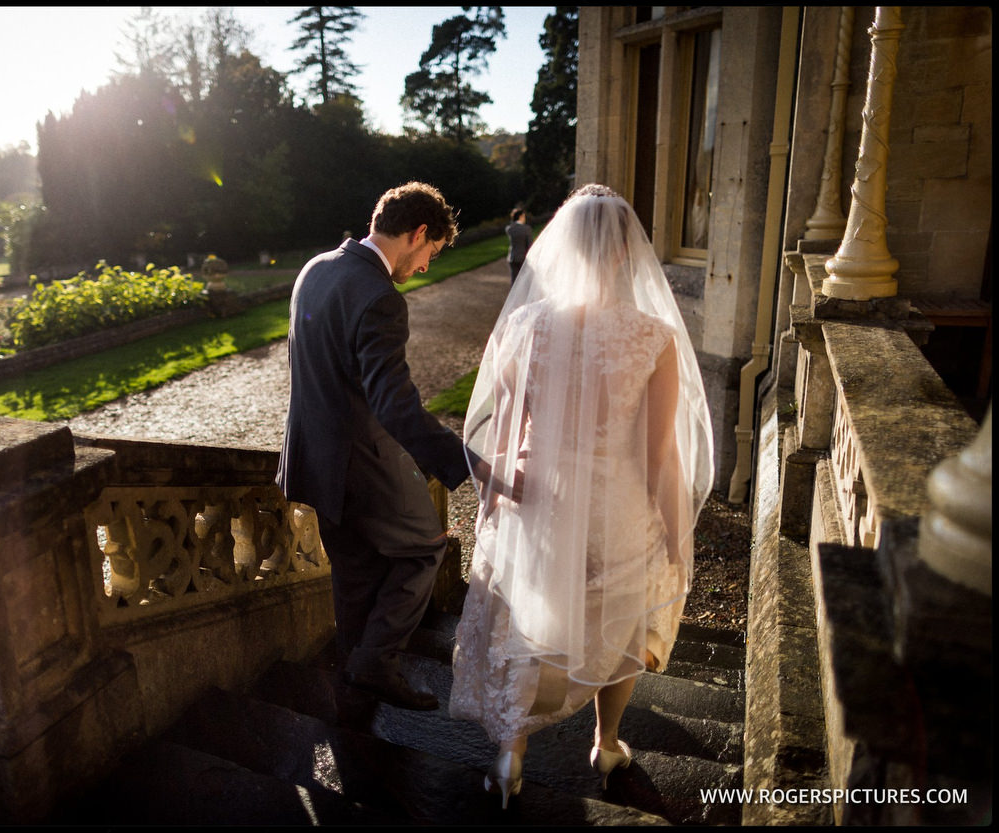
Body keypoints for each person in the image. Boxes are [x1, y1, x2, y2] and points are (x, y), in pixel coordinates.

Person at [449, 184, 714, 807]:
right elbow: (658, 455)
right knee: (620, 624)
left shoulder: (524, 325)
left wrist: (499, 501)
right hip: (615, 506)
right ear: (627, 255)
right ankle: (608, 742)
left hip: (538, 497)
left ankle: (511, 754)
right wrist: (675, 532)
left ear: (559, 248)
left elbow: (507, 423)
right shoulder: (652, 338)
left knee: (526, 620)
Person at [277, 181, 472, 711]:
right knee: (423, 549)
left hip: (310, 459)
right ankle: (374, 662)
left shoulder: (314, 269)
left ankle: (354, 676)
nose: (427, 265)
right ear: (419, 233)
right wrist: (464, 461)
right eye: (431, 253)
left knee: (355, 570)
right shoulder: (381, 298)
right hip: (358, 463)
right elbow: (395, 407)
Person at [505, 208, 533, 285]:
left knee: (514, 280)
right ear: (520, 216)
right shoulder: (527, 229)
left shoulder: (509, 229)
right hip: (523, 257)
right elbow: (529, 245)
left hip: (512, 257)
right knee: (525, 281)